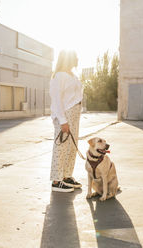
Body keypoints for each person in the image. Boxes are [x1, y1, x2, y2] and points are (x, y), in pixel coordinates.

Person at [49, 49, 83, 192]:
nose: (77, 59)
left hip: (75, 114)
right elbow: (56, 99)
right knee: (61, 147)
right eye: (74, 57)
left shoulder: (73, 75)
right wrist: (63, 121)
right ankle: (56, 180)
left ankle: (67, 175)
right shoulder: (59, 76)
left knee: (72, 146)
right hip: (64, 114)